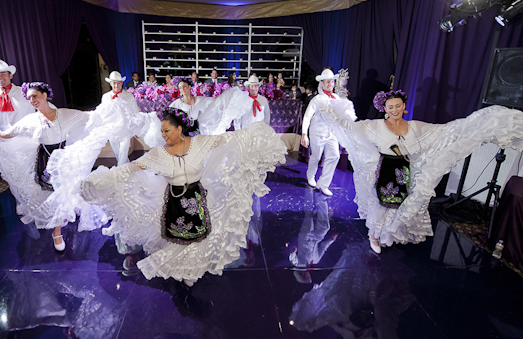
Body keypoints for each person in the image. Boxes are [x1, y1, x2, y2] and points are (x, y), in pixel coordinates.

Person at [79, 108, 287, 286]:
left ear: (180, 129)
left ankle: (192, 270)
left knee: (197, 237)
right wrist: (106, 179)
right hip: (174, 201)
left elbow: (231, 139)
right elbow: (132, 167)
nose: (164, 135)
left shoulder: (200, 143)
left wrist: (254, 136)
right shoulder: (158, 154)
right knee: (178, 237)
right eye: (162, 131)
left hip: (197, 198)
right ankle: (183, 267)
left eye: (167, 130)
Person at [316, 89, 523, 253]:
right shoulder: (375, 126)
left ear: (404, 107)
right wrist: (334, 115)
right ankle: (374, 235)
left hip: (404, 172)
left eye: (398, 106)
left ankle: (387, 234)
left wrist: (474, 127)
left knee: (399, 204)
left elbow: (444, 131)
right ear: (385, 109)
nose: (395, 109)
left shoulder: (415, 126)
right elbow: (353, 129)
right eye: (391, 107)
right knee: (382, 204)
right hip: (385, 171)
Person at [0, 82, 92, 251]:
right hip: (46, 163)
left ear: (44, 95)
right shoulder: (30, 120)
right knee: (54, 193)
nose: (32, 100)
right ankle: (57, 232)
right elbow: (8, 134)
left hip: (64, 160)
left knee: (66, 192)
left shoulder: (64, 114)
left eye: (34, 96)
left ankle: (60, 220)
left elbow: (88, 117)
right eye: (29, 98)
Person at [301, 68, 341, 195]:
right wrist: (304, 134)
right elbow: (307, 116)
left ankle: (324, 184)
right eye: (327, 82)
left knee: (335, 156)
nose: (330, 84)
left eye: (332, 81)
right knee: (316, 156)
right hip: (317, 133)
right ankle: (310, 175)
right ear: (322, 83)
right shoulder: (316, 99)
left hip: (332, 133)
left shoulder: (337, 98)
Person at [102, 71, 140, 164]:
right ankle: (125, 172)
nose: (116, 85)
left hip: (125, 129)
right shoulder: (106, 97)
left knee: (123, 153)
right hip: (112, 129)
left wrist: (137, 129)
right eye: (114, 83)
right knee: (118, 154)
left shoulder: (128, 96)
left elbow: (136, 112)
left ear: (122, 83)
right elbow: (103, 114)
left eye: (118, 82)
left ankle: (120, 175)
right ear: (110, 83)